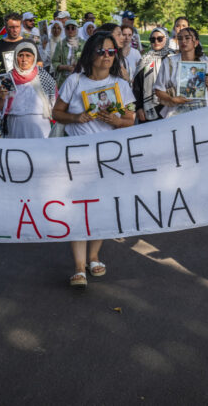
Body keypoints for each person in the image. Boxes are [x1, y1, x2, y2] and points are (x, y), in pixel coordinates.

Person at [52, 32, 136, 289]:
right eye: (102, 51)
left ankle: (94, 257)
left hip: (109, 157)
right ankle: (78, 268)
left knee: (102, 208)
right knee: (78, 207)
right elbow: (56, 112)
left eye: (112, 52)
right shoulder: (75, 81)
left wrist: (116, 121)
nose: (108, 56)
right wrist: (76, 119)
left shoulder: (120, 86)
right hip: (77, 157)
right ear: (91, 54)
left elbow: (131, 120)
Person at [0, 42, 56, 138]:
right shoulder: (8, 78)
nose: (24, 60)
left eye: (28, 56)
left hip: (40, 127)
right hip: (15, 126)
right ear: (15, 57)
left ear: (34, 58)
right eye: (20, 55)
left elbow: (54, 101)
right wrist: (2, 98)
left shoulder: (43, 76)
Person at [154, 26, 208, 116]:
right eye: (180, 38)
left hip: (201, 114)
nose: (183, 41)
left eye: (187, 38)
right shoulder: (169, 62)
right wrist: (172, 99)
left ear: (196, 42)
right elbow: (158, 90)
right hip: (176, 115)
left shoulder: (206, 62)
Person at [132, 27, 174, 123]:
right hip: (148, 109)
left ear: (166, 39)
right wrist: (138, 108)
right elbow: (137, 86)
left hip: (170, 106)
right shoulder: (145, 60)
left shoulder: (173, 58)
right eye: (152, 39)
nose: (156, 41)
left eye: (160, 39)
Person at [51, 20, 81, 88]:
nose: (70, 30)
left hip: (79, 78)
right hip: (64, 79)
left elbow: (88, 60)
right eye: (68, 28)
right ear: (64, 30)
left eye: (73, 28)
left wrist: (79, 64)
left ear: (76, 30)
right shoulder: (61, 44)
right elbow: (54, 61)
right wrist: (65, 67)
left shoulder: (83, 43)